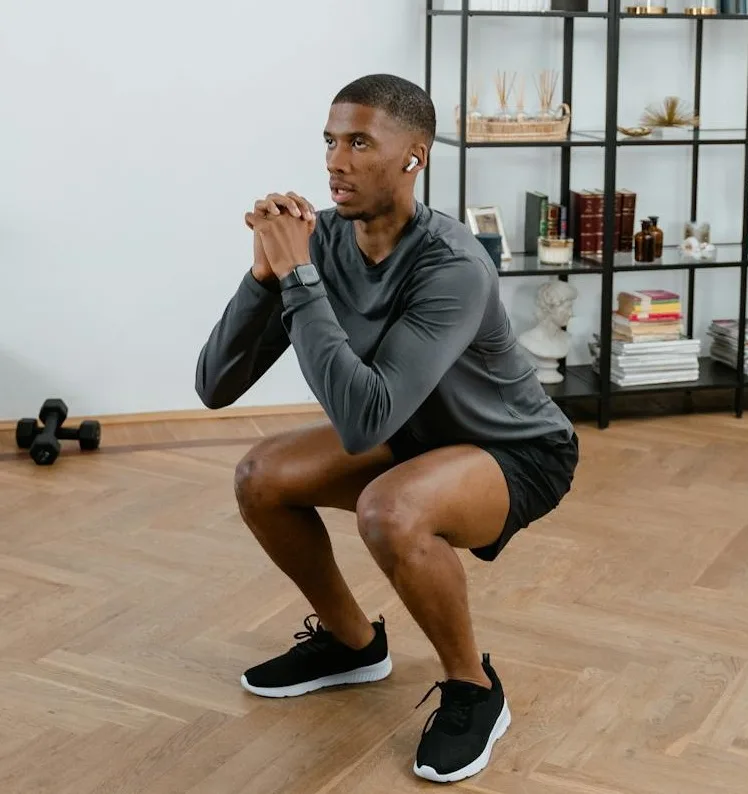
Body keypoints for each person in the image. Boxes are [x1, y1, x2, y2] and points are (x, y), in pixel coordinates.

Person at [195, 73, 579, 784]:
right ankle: (351, 645)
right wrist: (263, 278)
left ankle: (473, 688)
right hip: (412, 430)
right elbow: (214, 386)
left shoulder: (453, 263)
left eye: (360, 142)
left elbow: (361, 418)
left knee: (390, 509)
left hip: (515, 450)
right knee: (260, 477)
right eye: (331, 141)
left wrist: (299, 278)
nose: (336, 162)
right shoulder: (329, 245)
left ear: (414, 157)